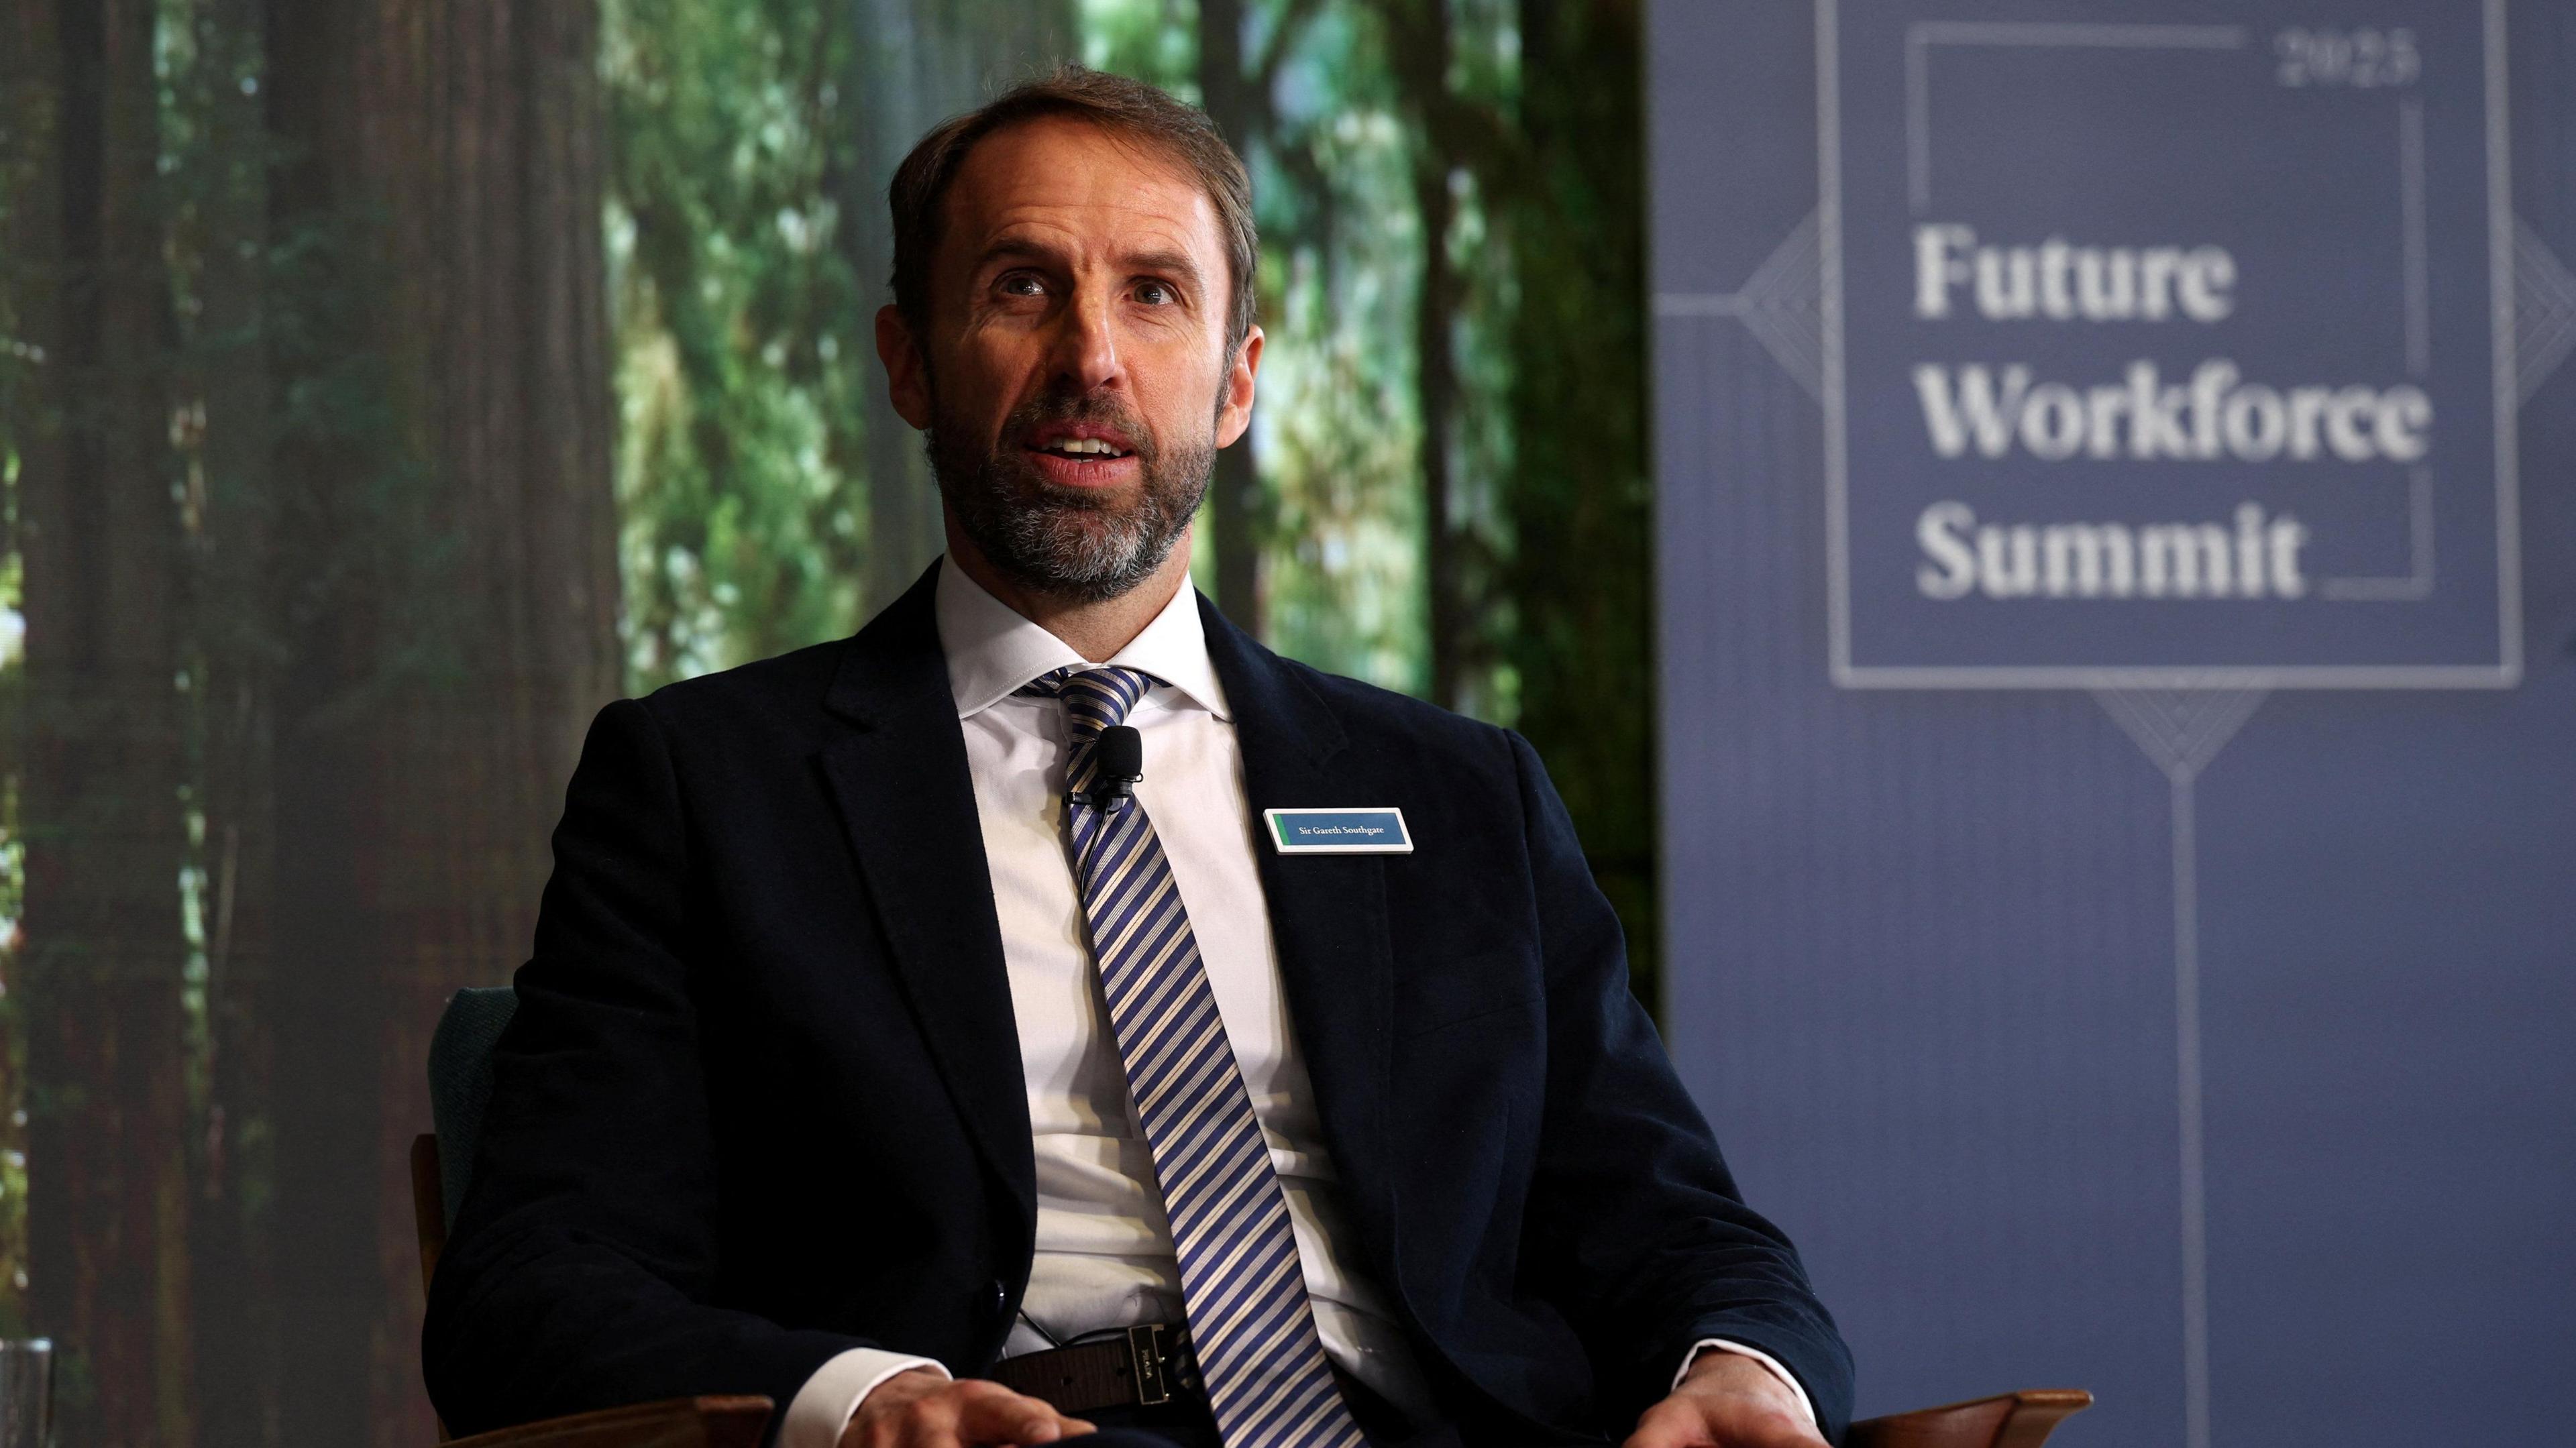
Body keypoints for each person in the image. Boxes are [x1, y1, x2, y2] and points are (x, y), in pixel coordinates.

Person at [421, 68, 1851, 1448]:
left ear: (1236, 384)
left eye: (1154, 293)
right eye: (1021, 287)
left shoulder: (1461, 795)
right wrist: (859, 1401)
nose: (1091, 359)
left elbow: (1672, 1223)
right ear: (910, 361)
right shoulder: (708, 789)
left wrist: (1745, 1367)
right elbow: (532, 1288)